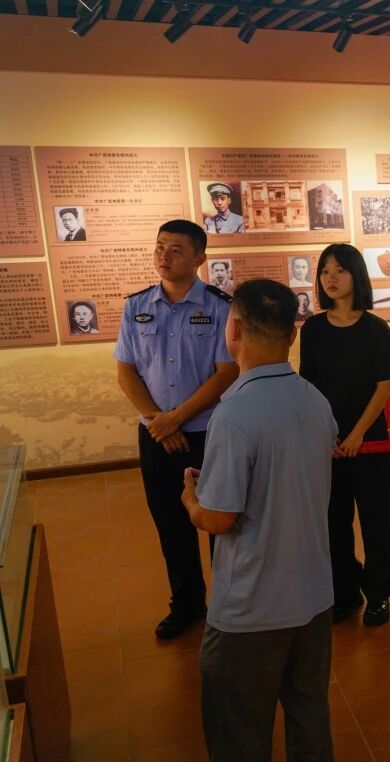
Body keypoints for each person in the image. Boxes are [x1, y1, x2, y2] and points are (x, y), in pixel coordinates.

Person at [179, 278, 339, 762]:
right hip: (312, 595)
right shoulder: (314, 400)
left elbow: (220, 517)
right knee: (307, 708)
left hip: (251, 608)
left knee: (238, 730)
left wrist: (191, 500)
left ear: (235, 330)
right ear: (292, 335)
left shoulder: (235, 413)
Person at [115, 220, 238, 639]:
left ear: (200, 258)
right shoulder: (136, 307)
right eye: (160, 247)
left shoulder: (220, 307)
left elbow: (226, 372)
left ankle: (229, 604)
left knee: (220, 520)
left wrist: (177, 417)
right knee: (170, 523)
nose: (164, 256)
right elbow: (126, 372)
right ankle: (186, 604)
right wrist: (160, 422)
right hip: (156, 436)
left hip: (209, 432)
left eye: (176, 249)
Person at [299, 243, 390, 627]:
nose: (331, 277)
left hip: (369, 441)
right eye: (325, 270)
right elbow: (309, 386)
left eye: (340, 270)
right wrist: (325, 435)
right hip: (327, 444)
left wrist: (357, 434)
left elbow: (384, 386)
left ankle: (378, 594)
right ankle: (343, 592)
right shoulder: (313, 329)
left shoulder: (375, 328)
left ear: (356, 276)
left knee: (375, 519)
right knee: (334, 519)